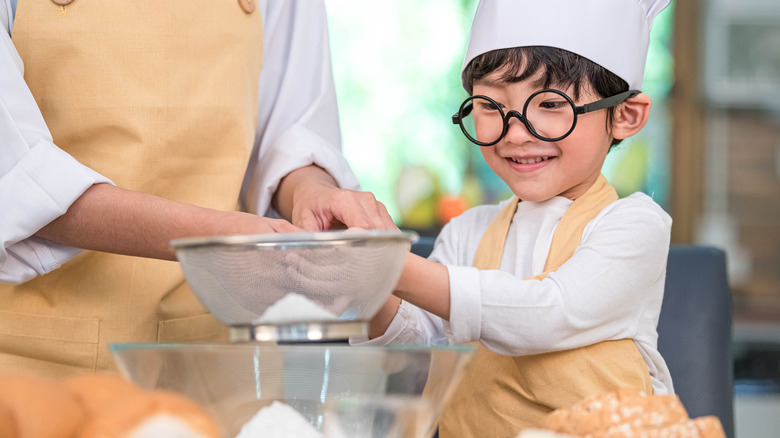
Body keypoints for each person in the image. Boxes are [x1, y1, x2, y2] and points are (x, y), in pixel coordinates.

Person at [0, 0, 395, 379]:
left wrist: (313, 191)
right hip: (35, 371)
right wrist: (217, 239)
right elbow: (17, 178)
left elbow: (290, 131)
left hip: (212, 366)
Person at [358, 0, 674, 436]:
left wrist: (391, 265)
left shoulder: (635, 225)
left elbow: (547, 315)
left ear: (625, 115)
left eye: (549, 104)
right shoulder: (469, 231)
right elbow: (417, 352)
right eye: (490, 106)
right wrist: (360, 275)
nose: (517, 132)